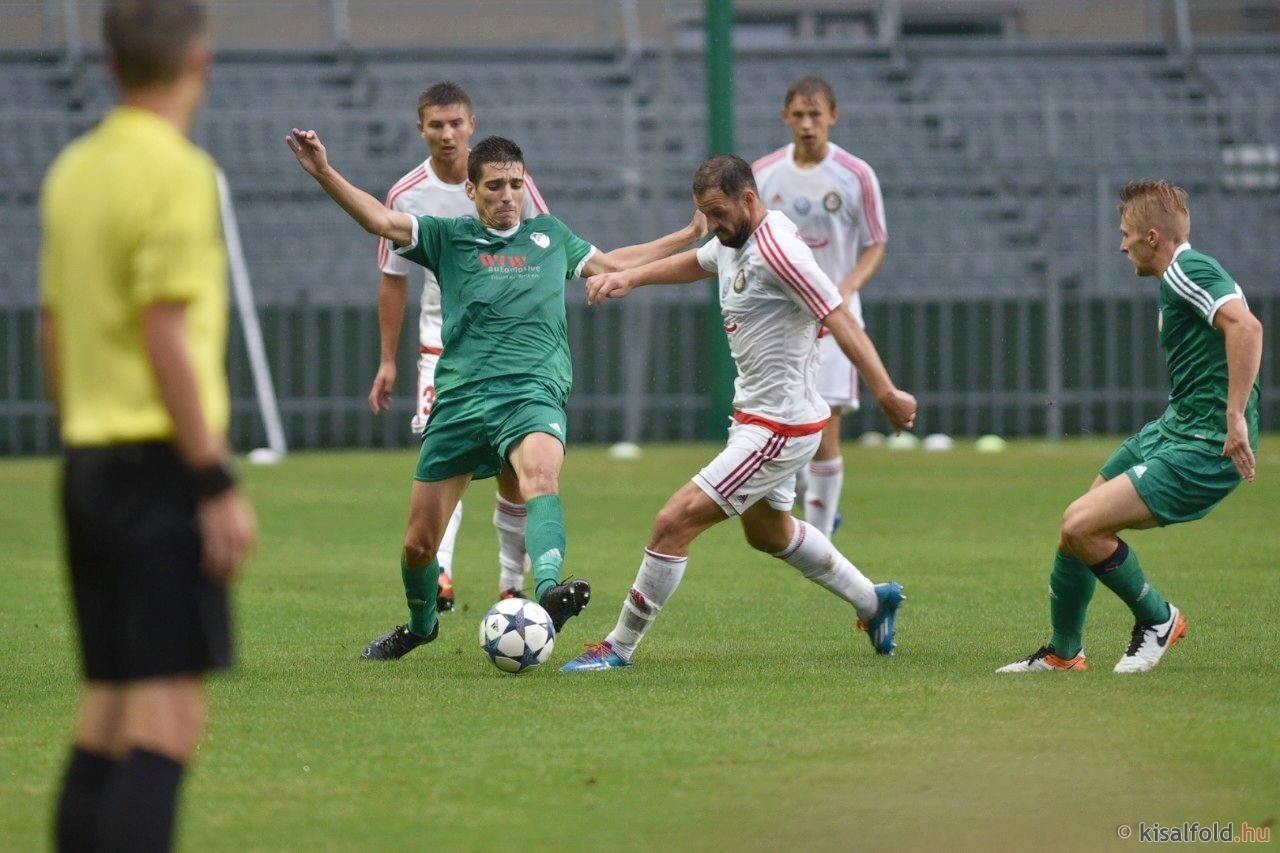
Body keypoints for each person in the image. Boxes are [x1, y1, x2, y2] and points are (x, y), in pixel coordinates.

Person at [286, 128, 705, 660]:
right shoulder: (448, 237)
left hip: (532, 392)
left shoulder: (550, 237)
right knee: (418, 545)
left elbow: (616, 262)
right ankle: (421, 626)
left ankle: (550, 589)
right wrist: (323, 170)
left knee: (541, 477)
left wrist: (688, 233)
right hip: (460, 401)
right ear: (472, 190)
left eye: (515, 184)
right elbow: (379, 219)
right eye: (495, 187)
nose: (508, 196)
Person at [561, 155, 917, 673]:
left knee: (671, 523)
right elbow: (698, 261)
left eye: (717, 212)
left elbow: (838, 316)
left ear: (748, 200)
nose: (712, 225)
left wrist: (885, 391)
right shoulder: (732, 241)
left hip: (780, 426)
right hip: (756, 419)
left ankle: (617, 646)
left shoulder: (780, 250)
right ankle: (873, 602)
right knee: (767, 533)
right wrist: (632, 279)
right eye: (703, 214)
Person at [41, 1, 257, 849]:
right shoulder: (178, 171)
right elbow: (163, 328)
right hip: (159, 468)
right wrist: (210, 477)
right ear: (199, 62)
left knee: (106, 709)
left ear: (110, 65)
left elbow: (54, 328)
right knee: (168, 717)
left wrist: (86, 432)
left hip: (89, 462)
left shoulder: (74, 169)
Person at [998, 180, 1263, 674]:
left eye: (1126, 234)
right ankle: (1064, 653)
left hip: (1205, 444)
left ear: (1153, 238)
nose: (1122, 245)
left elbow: (1247, 327)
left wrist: (1234, 419)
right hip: (1175, 426)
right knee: (1074, 528)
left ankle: (1159, 620)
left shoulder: (1187, 267)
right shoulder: (1180, 275)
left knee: (1082, 525)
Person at [370, 81, 549, 611]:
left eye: (456, 124)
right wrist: (386, 359)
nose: (447, 135)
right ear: (420, 129)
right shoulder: (406, 194)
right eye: (436, 125)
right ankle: (441, 574)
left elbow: (545, 250)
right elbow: (392, 277)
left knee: (516, 471)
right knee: (445, 458)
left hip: (512, 351)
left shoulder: (509, 181)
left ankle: (511, 580)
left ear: (472, 124)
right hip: (442, 348)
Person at [753, 76, 888, 540]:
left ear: (834, 116)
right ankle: (809, 506)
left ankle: (821, 535)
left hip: (833, 318)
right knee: (788, 424)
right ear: (785, 117)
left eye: (816, 115)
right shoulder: (764, 174)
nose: (808, 125)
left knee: (825, 424)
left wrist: (847, 286)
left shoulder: (855, 175)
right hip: (780, 321)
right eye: (799, 115)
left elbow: (876, 243)